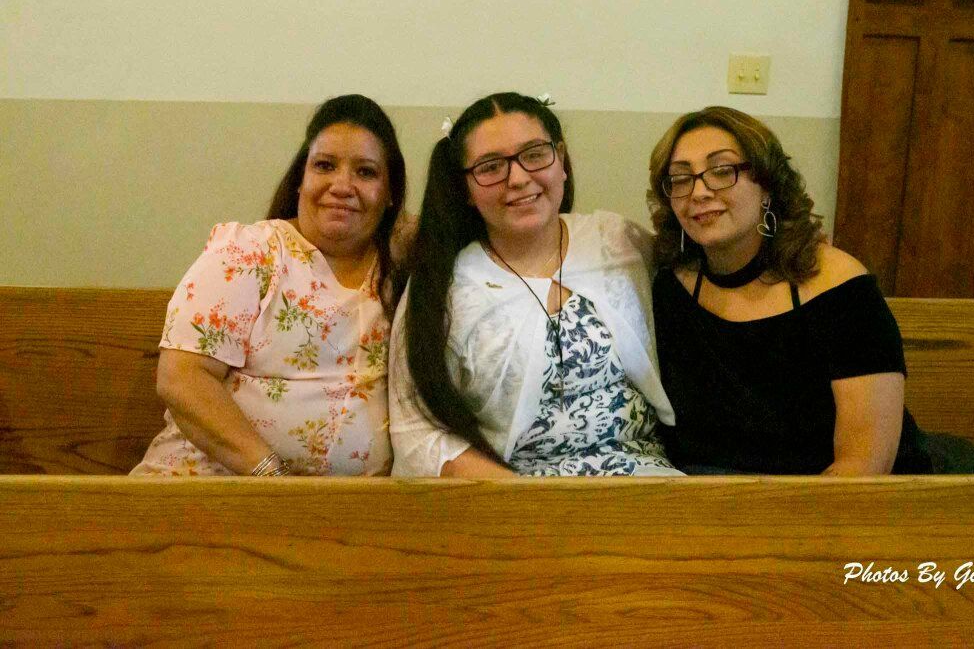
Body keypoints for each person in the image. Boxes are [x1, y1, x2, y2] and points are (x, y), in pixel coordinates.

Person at [389, 92, 681, 477]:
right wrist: (522, 499)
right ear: (466, 190)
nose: (518, 177)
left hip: (650, 487)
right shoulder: (442, 285)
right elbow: (416, 433)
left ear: (561, 160)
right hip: (514, 501)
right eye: (490, 166)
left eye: (534, 154)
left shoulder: (619, 241)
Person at [131, 95, 407, 476]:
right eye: (325, 166)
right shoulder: (251, 253)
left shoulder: (402, 266)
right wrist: (271, 480)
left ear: (391, 193)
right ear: (301, 181)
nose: (342, 185)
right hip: (214, 491)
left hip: (346, 518)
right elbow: (182, 378)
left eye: (366, 172)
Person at [648, 106, 933, 475]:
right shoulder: (671, 287)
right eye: (680, 179)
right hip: (710, 500)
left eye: (722, 171)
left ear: (767, 183)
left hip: (839, 504)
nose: (699, 193)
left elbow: (863, 465)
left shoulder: (840, 287)